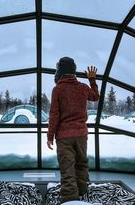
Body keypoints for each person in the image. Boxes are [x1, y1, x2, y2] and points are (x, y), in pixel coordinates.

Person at [47, 57, 99, 203]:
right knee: (82, 163)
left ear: (60, 72)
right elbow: (95, 96)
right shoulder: (82, 87)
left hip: (64, 136)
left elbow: (54, 115)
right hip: (81, 134)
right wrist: (92, 80)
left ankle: (71, 199)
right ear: (73, 71)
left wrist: (50, 136)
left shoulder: (57, 90)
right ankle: (82, 192)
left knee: (67, 168)